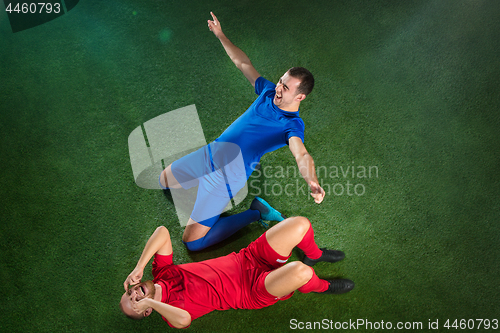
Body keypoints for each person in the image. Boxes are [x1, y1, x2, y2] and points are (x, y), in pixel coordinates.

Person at [159, 12, 326, 251]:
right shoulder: (268, 92)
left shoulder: (292, 125)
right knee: (164, 181)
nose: (279, 88)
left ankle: (255, 213)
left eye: (286, 87)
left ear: (300, 97)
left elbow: (301, 154)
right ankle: (205, 192)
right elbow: (243, 63)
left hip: (226, 178)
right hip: (211, 154)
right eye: (280, 81)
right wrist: (220, 34)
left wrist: (312, 180)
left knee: (192, 243)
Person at [120, 216, 354, 328]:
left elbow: (161, 232)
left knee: (300, 225)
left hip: (249, 258)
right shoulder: (170, 313)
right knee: (300, 273)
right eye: (134, 303)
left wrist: (139, 266)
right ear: (146, 311)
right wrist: (153, 304)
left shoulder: (161, 272)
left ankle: (315, 255)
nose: (134, 295)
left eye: (129, 293)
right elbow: (184, 320)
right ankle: (322, 287)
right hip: (253, 291)